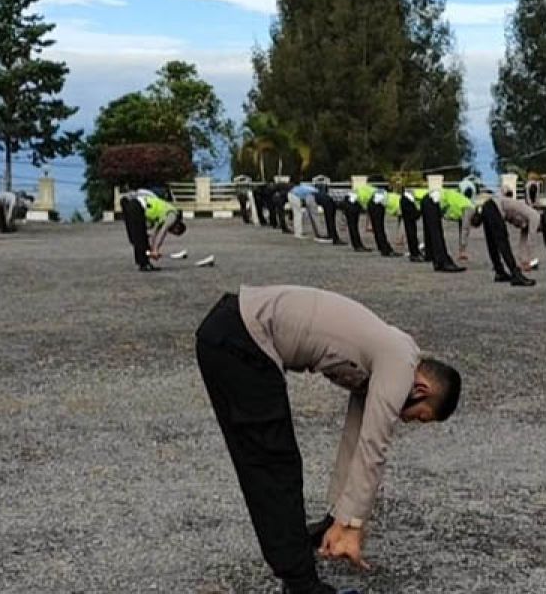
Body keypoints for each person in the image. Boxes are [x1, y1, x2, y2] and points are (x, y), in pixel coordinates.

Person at [195, 285, 461, 594]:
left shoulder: (393, 353)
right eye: (419, 416)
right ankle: (301, 584)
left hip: (231, 330)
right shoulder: (400, 365)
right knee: (272, 464)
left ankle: (298, 560)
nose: (407, 420)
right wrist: (353, 526)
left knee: (270, 461)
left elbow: (356, 436)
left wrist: (340, 517)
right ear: (421, 390)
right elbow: (374, 447)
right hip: (242, 337)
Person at [469, 192, 537, 286]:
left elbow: (523, 241)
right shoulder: (535, 216)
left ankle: (499, 272)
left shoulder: (528, 220)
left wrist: (524, 259)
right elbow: (531, 239)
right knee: (503, 242)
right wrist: (529, 260)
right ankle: (515, 274)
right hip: (494, 208)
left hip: (489, 206)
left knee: (492, 242)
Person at [120, 190, 186, 272]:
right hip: (137, 206)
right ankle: (144, 264)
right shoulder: (173, 215)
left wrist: (152, 248)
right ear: (177, 227)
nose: (171, 232)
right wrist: (155, 250)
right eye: (174, 232)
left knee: (136, 238)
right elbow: (162, 232)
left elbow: (155, 233)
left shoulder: (163, 215)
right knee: (140, 237)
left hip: (129, 204)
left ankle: (143, 262)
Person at [346, 182, 402, 256]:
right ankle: (384, 249)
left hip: (354, 199)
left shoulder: (379, 192)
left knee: (356, 225)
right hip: (363, 201)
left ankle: (361, 246)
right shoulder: (402, 202)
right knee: (378, 227)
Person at [418, 190, 465, 273]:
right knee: (437, 234)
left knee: (431, 233)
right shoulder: (468, 207)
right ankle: (443, 261)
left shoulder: (460, 199)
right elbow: (464, 226)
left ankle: (436, 261)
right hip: (433, 200)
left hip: (429, 198)